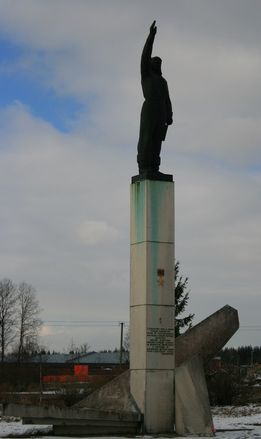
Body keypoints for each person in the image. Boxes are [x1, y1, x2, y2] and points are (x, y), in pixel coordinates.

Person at [137, 21, 173, 177]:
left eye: (160, 62)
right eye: (155, 61)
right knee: (146, 138)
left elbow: (167, 99)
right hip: (150, 108)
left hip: (161, 112)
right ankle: (144, 166)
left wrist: (169, 115)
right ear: (150, 64)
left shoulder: (163, 81)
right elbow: (145, 55)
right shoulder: (147, 75)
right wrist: (151, 36)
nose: (158, 64)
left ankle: (154, 167)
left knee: (157, 140)